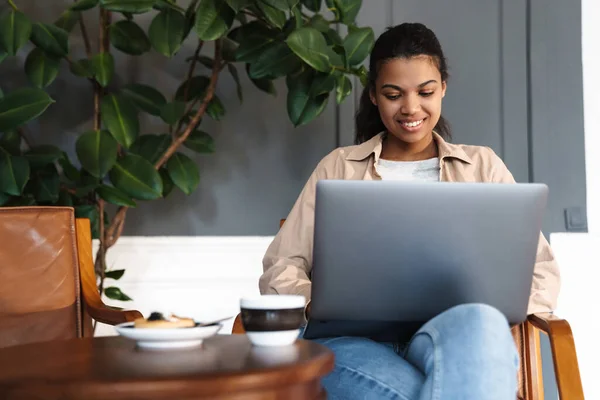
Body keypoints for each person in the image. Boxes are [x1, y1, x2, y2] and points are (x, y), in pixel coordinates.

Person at [259, 22, 560, 400]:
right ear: (373, 96)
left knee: (482, 324)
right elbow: (280, 265)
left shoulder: (483, 166)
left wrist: (496, 303)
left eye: (426, 91)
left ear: (444, 88)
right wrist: (315, 301)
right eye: (393, 94)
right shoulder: (338, 167)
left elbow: (542, 271)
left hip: (449, 334)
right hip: (355, 340)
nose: (411, 108)